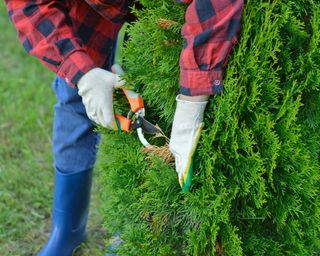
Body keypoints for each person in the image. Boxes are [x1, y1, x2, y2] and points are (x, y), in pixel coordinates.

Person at [5, 0, 244, 255]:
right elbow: (28, 5)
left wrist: (192, 99)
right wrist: (82, 75)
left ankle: (133, 228)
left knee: (151, 96)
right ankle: (66, 231)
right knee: (73, 97)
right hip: (87, 8)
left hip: (164, 8)